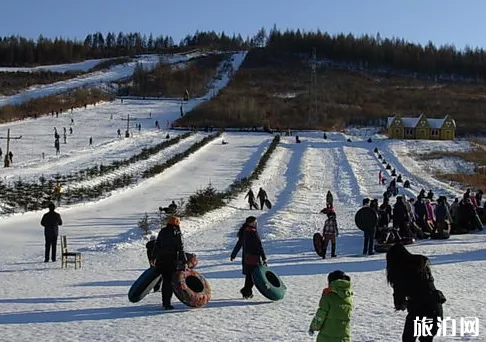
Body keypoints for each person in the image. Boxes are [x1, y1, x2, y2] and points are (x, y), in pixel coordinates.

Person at [386, 244, 446, 342]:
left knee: (408, 339)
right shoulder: (421, 263)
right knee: (426, 339)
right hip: (435, 307)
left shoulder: (399, 272)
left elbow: (399, 301)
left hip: (419, 310)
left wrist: (401, 304)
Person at [152, 216, 186, 310]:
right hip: (172, 260)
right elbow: (181, 248)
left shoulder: (162, 231)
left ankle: (165, 302)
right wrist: (184, 261)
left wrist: (153, 257)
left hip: (161, 260)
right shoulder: (177, 233)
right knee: (169, 282)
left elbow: (157, 244)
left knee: (165, 281)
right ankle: (167, 304)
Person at [308, 270, 352, 341]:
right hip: (343, 336)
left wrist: (313, 327)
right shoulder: (348, 296)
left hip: (327, 336)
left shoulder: (328, 297)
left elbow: (321, 314)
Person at [230, 216, 267, 299]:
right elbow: (259, 246)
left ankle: (247, 292)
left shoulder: (244, 231)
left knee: (249, 276)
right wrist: (264, 257)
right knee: (255, 276)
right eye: (255, 222)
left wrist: (233, 255)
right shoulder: (253, 232)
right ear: (251, 223)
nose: (256, 223)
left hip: (246, 258)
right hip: (254, 258)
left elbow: (238, 244)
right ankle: (246, 291)